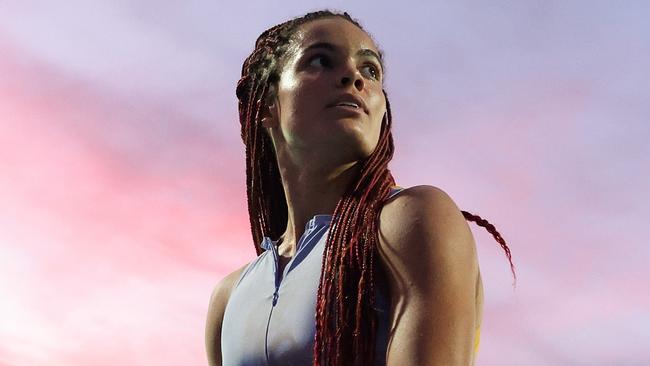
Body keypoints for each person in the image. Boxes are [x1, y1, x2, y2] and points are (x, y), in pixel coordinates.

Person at [206, 10, 516, 366]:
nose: (354, 77)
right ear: (267, 104)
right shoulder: (229, 298)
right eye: (321, 60)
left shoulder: (412, 220)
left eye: (371, 70)